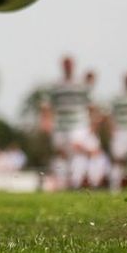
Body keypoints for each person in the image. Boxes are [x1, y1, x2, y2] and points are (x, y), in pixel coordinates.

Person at [39, 56, 93, 190]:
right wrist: (46, 120)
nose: (68, 67)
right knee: (61, 153)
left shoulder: (81, 85)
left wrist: (91, 123)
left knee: (77, 149)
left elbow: (90, 104)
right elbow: (47, 105)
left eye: (69, 64)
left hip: (78, 124)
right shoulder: (56, 85)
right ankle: (62, 183)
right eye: (65, 64)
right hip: (60, 125)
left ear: (73, 66)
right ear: (62, 66)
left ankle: (76, 182)